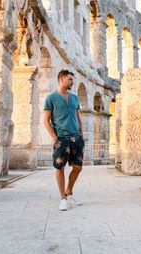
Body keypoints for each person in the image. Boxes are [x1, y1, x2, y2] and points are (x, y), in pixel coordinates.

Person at [44, 69, 85, 211]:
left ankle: (69, 191)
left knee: (78, 167)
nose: (72, 82)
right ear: (61, 79)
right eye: (70, 79)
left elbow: (77, 116)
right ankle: (63, 198)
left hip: (77, 138)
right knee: (60, 167)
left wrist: (81, 133)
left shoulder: (74, 98)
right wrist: (56, 139)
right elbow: (46, 121)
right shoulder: (51, 98)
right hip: (61, 138)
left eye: (72, 80)